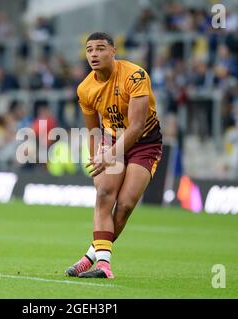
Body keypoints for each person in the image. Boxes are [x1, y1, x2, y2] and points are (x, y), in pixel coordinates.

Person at [65, 32, 162, 279]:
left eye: (100, 48)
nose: (94, 54)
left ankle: (89, 256)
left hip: (145, 143)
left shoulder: (135, 75)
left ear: (113, 51)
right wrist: (96, 159)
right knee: (104, 193)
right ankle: (104, 265)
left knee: (126, 204)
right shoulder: (85, 88)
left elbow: (137, 126)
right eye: (89, 50)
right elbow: (93, 130)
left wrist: (111, 154)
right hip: (110, 140)